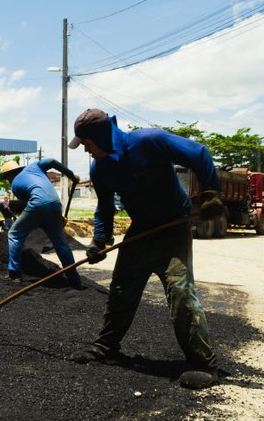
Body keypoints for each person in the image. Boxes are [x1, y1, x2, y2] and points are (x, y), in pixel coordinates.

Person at [67, 108, 225, 390]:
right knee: (121, 289)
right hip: (141, 230)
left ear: (102, 137)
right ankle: (106, 347)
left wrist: (212, 193)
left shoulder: (148, 141)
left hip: (173, 226)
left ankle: (204, 365)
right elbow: (104, 207)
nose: (87, 152)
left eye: (87, 145)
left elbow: (199, 153)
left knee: (180, 292)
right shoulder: (101, 168)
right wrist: (99, 241)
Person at [0, 158, 82, 288]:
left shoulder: (15, 186)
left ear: (9, 175)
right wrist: (71, 175)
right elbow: (52, 161)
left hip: (38, 204)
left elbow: (33, 208)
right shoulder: (35, 166)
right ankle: (74, 279)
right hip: (56, 204)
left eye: (7, 177)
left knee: (14, 234)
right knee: (60, 243)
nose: (8, 180)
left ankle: (14, 274)